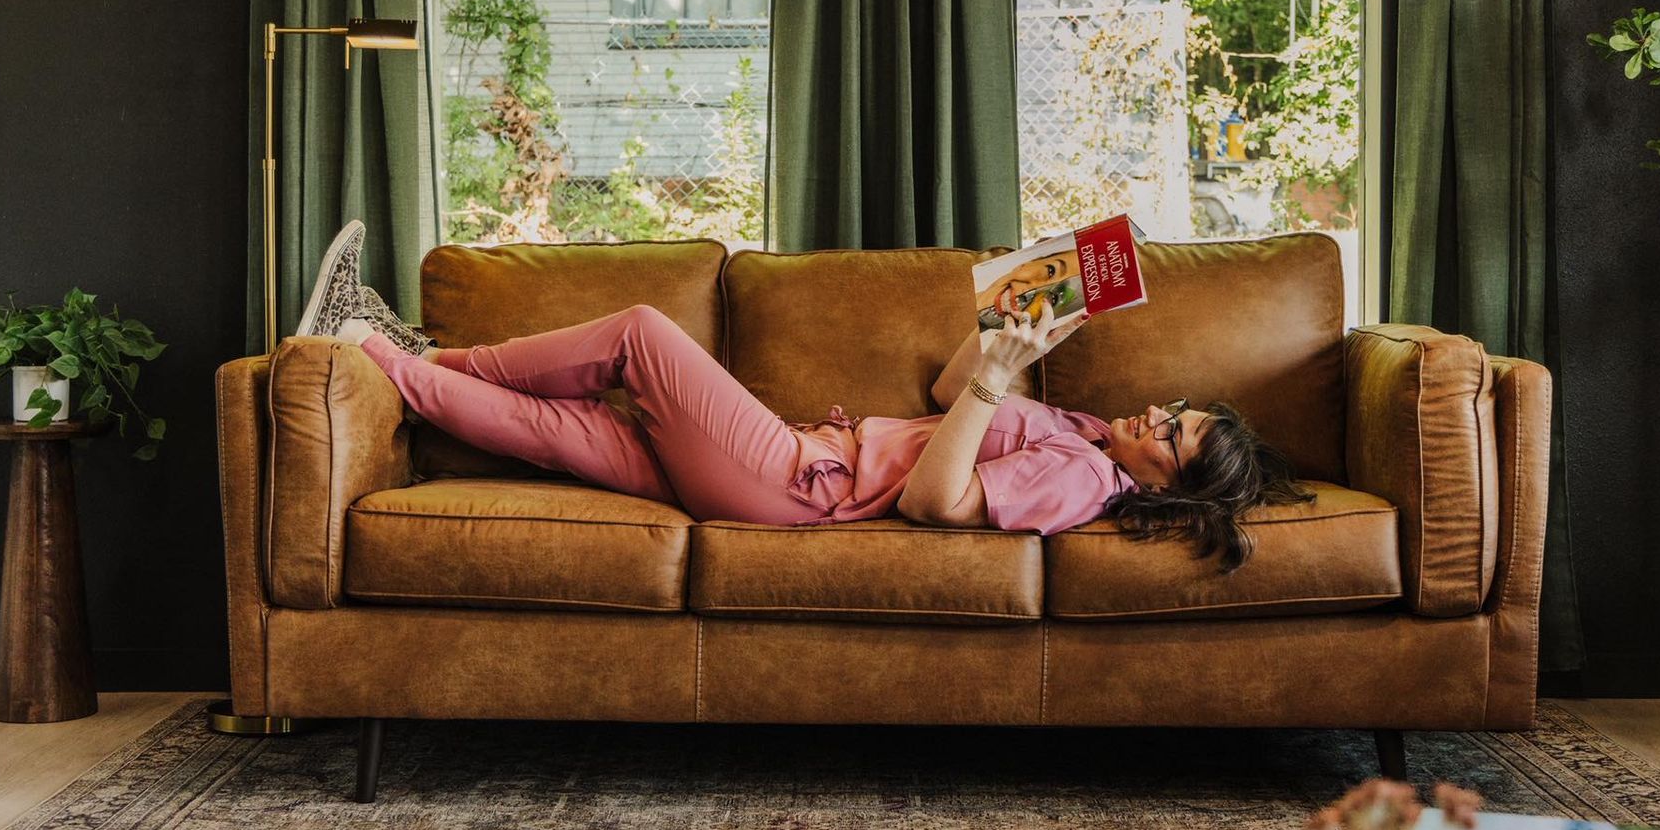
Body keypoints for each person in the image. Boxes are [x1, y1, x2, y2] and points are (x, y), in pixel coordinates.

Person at [298, 222, 1310, 570]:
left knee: (642, 333)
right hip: (783, 460)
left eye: (1174, 434)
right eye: (1178, 406)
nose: (1159, 414)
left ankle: (391, 344)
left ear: (1169, 483)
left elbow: (937, 502)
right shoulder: (1088, 430)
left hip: (797, 482)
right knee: (562, 429)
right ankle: (390, 353)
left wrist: (1001, 383)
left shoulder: (1083, 479)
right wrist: (1022, 322)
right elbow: (956, 385)